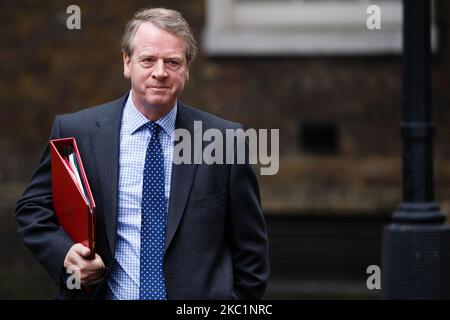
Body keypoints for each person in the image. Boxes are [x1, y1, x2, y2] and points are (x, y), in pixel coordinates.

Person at [15, 7, 269, 300]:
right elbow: (33, 208)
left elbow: (251, 253)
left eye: (173, 62)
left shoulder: (223, 140)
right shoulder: (77, 132)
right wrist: (66, 255)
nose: (160, 73)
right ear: (127, 63)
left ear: (186, 69)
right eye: (148, 60)